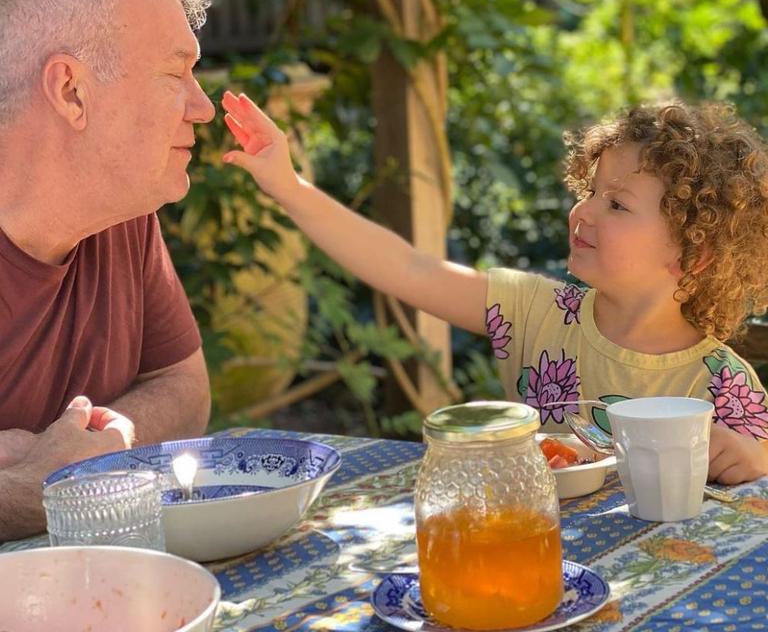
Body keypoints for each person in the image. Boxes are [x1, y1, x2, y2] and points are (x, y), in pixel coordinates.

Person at [221, 91, 768, 485]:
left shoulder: (722, 384)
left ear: (693, 254)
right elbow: (409, 270)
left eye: (617, 204)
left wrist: (756, 458)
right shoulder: (534, 311)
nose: (583, 211)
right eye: (591, 191)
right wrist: (289, 187)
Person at [0, 0, 215, 539]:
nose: (202, 107)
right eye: (176, 74)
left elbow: (183, 386)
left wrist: (102, 444)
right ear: (71, 92)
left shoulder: (122, 216)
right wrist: (35, 489)